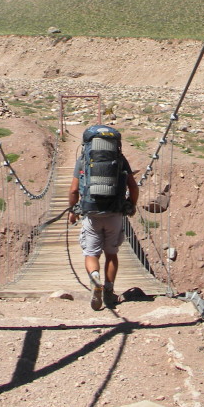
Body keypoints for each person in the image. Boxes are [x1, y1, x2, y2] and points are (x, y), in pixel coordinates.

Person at [67, 129, 138, 310]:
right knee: (111, 254)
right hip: (114, 213)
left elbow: (73, 190)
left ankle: (95, 278)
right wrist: (131, 204)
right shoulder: (120, 160)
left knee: (91, 253)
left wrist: (73, 211)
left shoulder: (83, 159)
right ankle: (108, 290)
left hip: (92, 213)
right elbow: (133, 187)